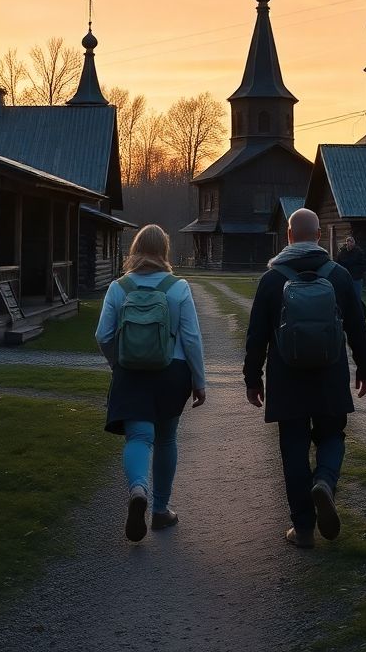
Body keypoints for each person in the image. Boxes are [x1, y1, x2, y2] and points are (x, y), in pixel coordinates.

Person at [243, 208, 366, 548]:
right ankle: (326, 483)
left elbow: (256, 335)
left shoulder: (272, 279)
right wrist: (365, 368)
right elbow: (358, 327)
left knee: (294, 449)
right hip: (330, 375)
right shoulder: (339, 275)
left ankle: (302, 529)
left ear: (288, 236)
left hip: (287, 380)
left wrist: (252, 378)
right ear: (318, 236)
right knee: (332, 435)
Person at [96, 224, 206, 542]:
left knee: (139, 438)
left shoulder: (119, 287)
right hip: (172, 372)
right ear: (164, 252)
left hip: (131, 372)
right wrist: (199, 382)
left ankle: (138, 489)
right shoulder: (178, 287)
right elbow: (192, 338)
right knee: (167, 439)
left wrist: (119, 363)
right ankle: (159, 511)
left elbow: (102, 335)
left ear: (135, 250)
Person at [335, 235, 366, 303]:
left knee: (357, 297)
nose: (349, 243)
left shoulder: (358, 252)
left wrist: (357, 271)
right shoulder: (342, 253)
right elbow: (338, 263)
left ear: (354, 243)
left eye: (351, 242)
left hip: (356, 278)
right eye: (348, 241)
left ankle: (358, 312)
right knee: (345, 297)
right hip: (345, 278)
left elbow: (364, 265)